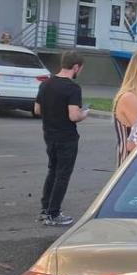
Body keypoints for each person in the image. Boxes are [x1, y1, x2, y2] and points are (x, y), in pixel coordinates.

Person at [34, 51, 89, 226]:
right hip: (66, 137)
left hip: (49, 134)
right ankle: (54, 213)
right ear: (76, 67)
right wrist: (84, 113)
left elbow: (37, 109)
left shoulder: (45, 84)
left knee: (52, 170)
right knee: (62, 175)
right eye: (80, 68)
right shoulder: (73, 88)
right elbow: (74, 116)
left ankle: (45, 209)